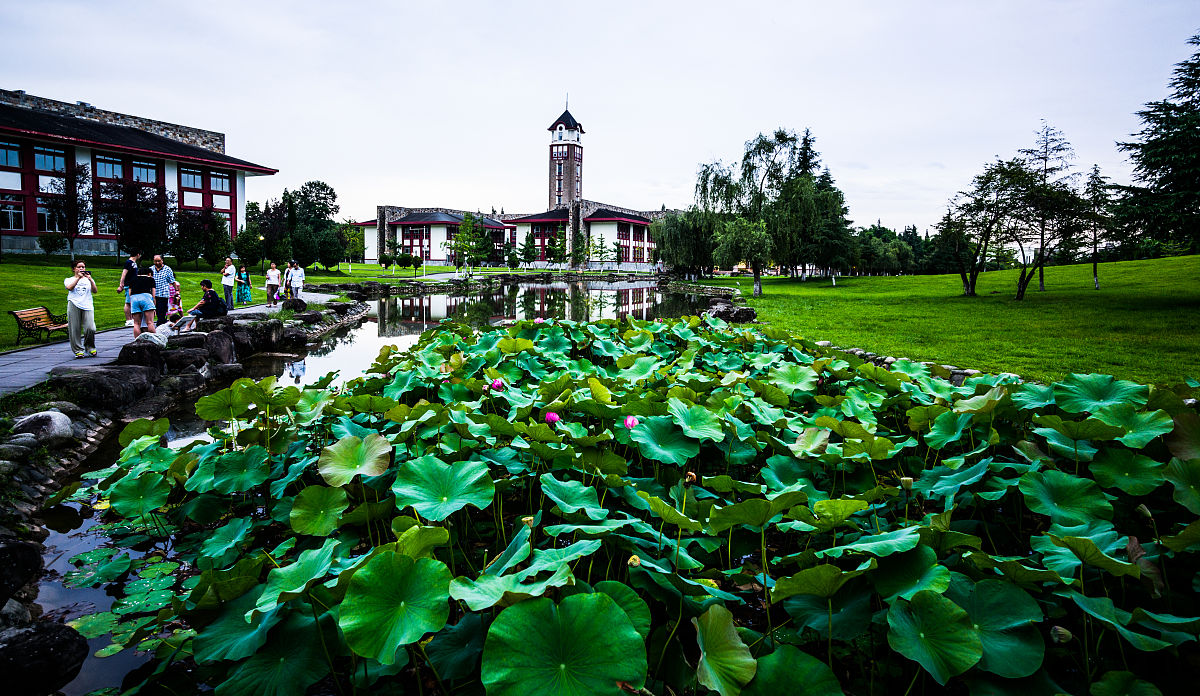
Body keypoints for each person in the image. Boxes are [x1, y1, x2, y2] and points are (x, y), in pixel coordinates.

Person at [64, 260, 98, 358]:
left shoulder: (88, 279)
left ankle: (90, 347)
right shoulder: (69, 279)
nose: (82, 269)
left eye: (83, 267)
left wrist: (91, 280)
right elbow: (69, 288)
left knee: (90, 328)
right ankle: (78, 350)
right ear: (74, 269)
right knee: (74, 328)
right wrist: (78, 278)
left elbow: (95, 291)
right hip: (74, 303)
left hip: (87, 305)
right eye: (79, 267)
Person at [128, 266, 158, 338]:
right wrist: (154, 305)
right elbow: (153, 294)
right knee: (150, 322)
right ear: (149, 273)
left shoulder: (132, 279)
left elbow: (129, 293)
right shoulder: (150, 279)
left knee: (136, 323)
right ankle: (155, 340)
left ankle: (137, 342)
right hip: (146, 298)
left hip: (134, 299)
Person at [151, 254, 180, 325]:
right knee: (156, 310)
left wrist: (176, 291)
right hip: (154, 294)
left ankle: (160, 323)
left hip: (163, 294)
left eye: (159, 261)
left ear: (162, 260)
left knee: (162, 310)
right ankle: (160, 323)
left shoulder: (167, 269)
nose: (157, 263)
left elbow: (172, 281)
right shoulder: (151, 269)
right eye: (155, 261)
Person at [117, 250, 142, 327]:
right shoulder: (129, 262)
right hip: (129, 285)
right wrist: (121, 285)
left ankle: (132, 319)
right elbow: (124, 274)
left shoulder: (134, 263)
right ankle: (128, 320)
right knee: (128, 302)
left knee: (132, 302)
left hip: (134, 285)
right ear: (138, 254)